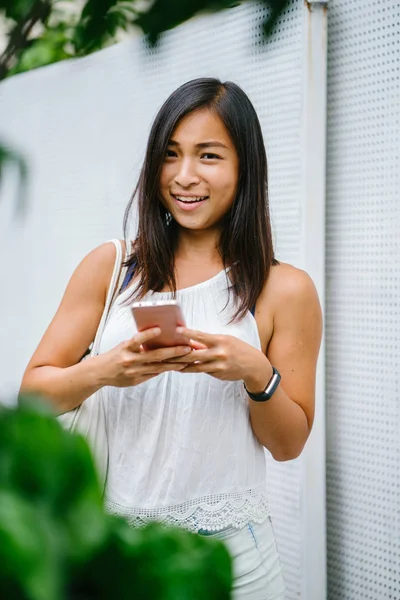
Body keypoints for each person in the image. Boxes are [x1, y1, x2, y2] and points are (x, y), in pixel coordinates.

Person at [21, 78, 322, 599]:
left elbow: (289, 444)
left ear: (245, 167)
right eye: (170, 154)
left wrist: (253, 372)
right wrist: (105, 370)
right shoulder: (113, 268)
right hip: (121, 555)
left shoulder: (284, 289)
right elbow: (33, 397)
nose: (185, 176)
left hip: (238, 561)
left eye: (209, 156)